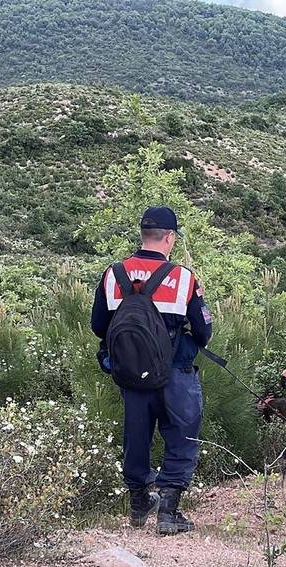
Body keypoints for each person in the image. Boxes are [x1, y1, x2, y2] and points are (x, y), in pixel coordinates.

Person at [90, 206, 212, 535]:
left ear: (143, 235)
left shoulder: (113, 274)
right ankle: (169, 512)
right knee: (182, 434)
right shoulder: (183, 277)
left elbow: (98, 325)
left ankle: (139, 503)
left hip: (131, 374)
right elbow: (203, 332)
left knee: (136, 437)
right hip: (174, 373)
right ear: (169, 238)